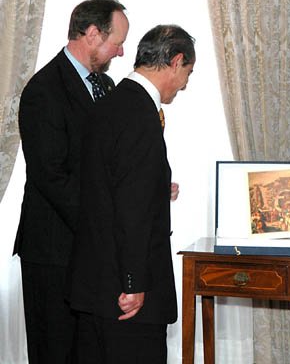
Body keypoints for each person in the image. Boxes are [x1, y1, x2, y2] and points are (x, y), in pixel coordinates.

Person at [67, 24, 195, 363]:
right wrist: (133, 282)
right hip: (126, 296)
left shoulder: (111, 103)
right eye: (188, 72)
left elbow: (106, 186)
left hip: (95, 284)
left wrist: (155, 188)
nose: (185, 84)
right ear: (176, 61)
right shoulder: (140, 115)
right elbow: (131, 209)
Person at [14, 0, 128, 364]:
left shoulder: (107, 88)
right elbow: (52, 177)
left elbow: (107, 164)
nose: (122, 52)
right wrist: (103, 226)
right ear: (93, 34)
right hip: (53, 252)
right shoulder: (43, 91)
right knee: (55, 352)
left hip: (90, 254)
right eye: (117, 41)